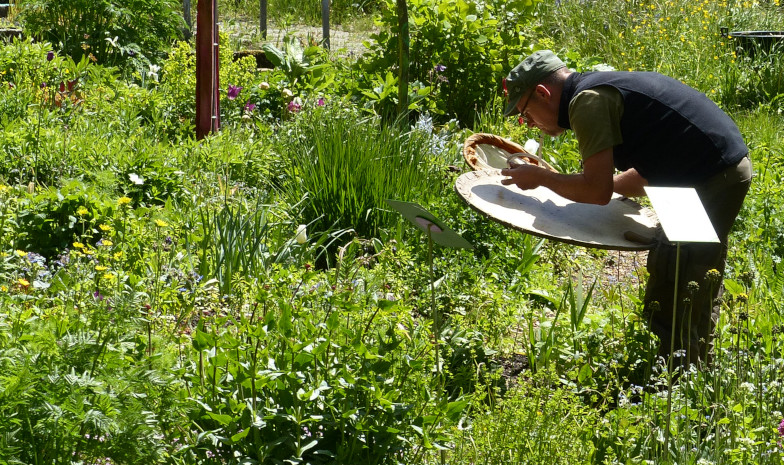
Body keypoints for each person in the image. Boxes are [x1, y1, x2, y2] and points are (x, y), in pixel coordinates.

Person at [500, 50, 752, 366]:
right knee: (693, 275)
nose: (529, 123)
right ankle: (694, 372)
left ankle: (672, 384)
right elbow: (643, 173)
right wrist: (593, 182)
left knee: (675, 276)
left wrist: (544, 179)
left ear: (542, 93)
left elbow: (597, 190)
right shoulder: (598, 88)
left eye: (525, 114)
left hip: (710, 176)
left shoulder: (587, 102)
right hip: (705, 171)